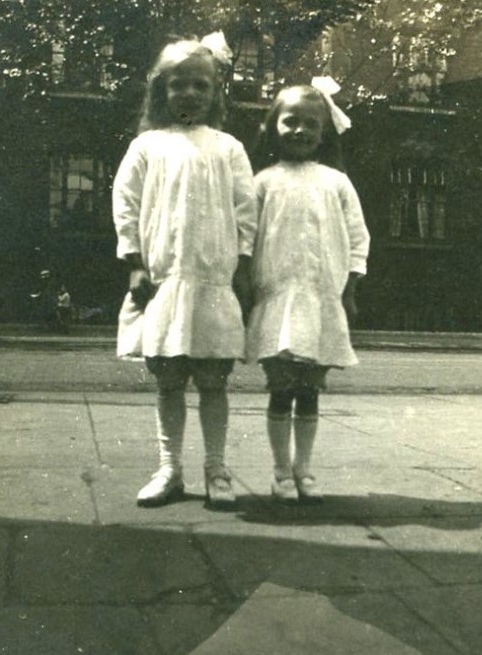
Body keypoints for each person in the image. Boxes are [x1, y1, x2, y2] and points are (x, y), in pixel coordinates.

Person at [112, 34, 257, 509]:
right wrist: (134, 264)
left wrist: (244, 264)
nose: (190, 93)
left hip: (214, 280)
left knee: (214, 380)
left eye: (201, 84)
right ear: (161, 91)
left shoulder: (229, 147)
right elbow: (126, 207)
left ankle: (216, 467)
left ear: (216, 92)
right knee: (168, 379)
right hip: (163, 279)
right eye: (179, 85)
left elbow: (245, 209)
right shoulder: (147, 145)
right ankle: (169, 468)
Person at [247, 82, 371, 504]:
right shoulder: (263, 181)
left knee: (310, 391)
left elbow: (357, 238)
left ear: (324, 133)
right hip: (278, 299)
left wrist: (349, 289)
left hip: (321, 301)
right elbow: (247, 236)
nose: (300, 130)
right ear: (273, 126)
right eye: (290, 121)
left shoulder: (336, 182)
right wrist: (247, 284)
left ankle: (305, 469)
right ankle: (281, 471)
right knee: (282, 388)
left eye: (310, 124)